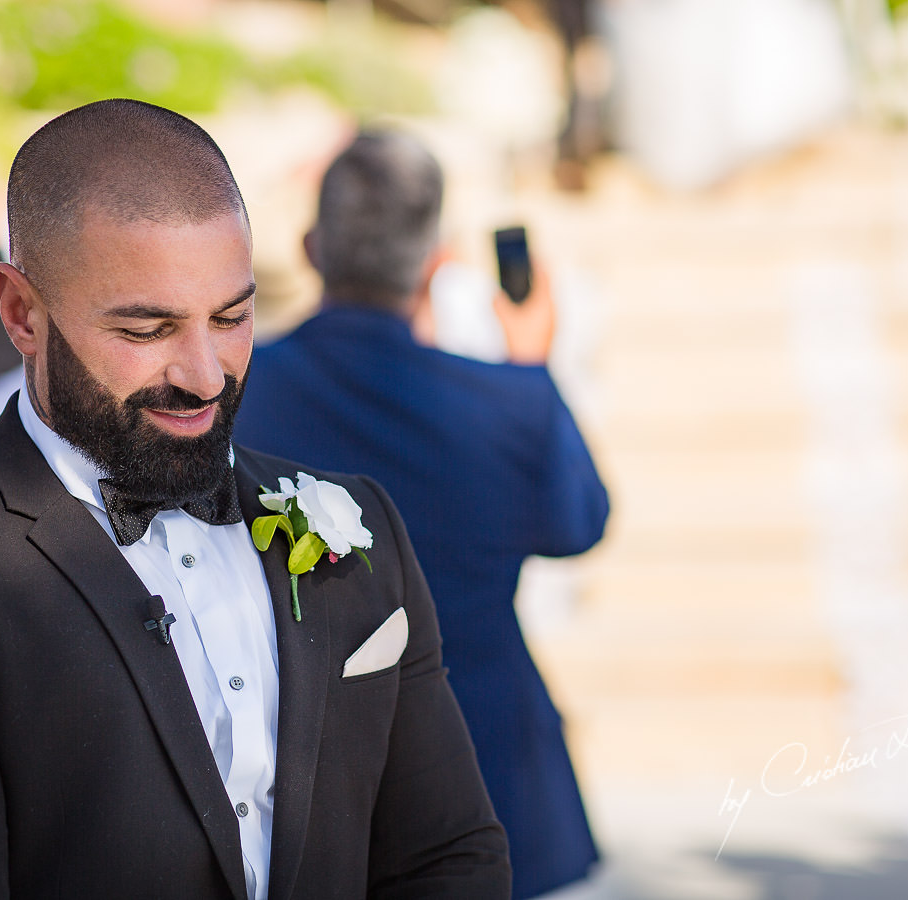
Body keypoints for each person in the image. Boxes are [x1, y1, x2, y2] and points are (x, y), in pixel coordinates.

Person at [0, 99, 509, 899]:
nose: (205, 375)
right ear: (21, 311)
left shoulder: (359, 524)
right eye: (146, 330)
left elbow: (449, 860)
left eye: (231, 316)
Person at [234, 131, 609, 900]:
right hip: (485, 764)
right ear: (436, 258)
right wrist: (533, 362)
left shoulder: (241, 393)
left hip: (298, 769)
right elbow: (579, 525)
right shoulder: (510, 404)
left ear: (311, 246)